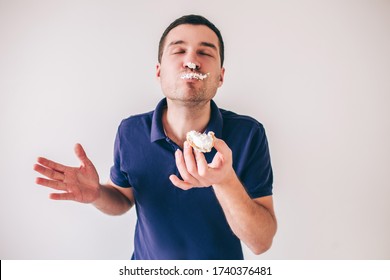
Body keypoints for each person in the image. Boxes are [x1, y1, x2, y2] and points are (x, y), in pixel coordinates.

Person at [34, 14, 277, 260]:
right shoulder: (130, 131)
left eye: (205, 53)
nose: (191, 61)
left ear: (221, 76)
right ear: (159, 72)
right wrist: (97, 193)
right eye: (179, 50)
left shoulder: (249, 134)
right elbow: (122, 199)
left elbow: (261, 242)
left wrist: (225, 181)